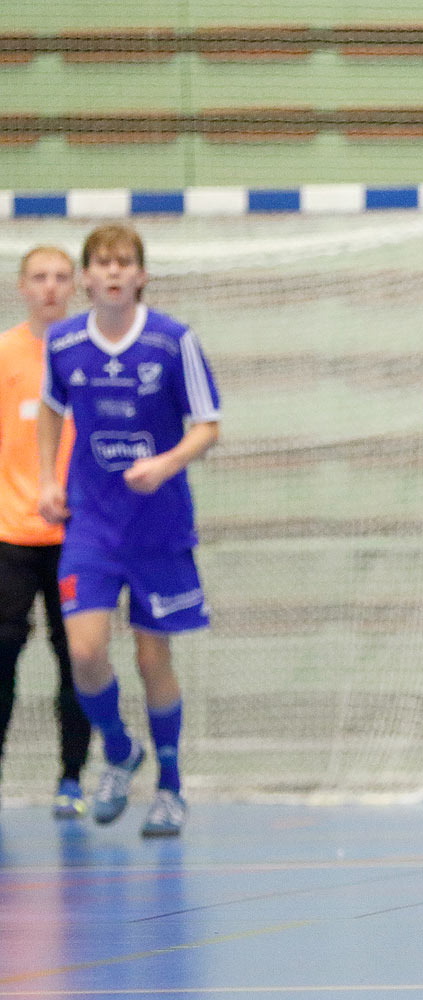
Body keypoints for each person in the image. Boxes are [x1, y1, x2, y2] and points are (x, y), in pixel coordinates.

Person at [37, 224, 221, 837]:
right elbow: (51, 410)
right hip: (92, 525)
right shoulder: (64, 343)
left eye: (125, 263)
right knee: (85, 650)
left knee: (150, 656)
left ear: (141, 274)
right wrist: (47, 479)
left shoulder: (173, 342)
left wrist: (167, 463)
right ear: (85, 277)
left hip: (159, 527)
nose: (113, 273)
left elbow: (207, 424)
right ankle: (118, 750)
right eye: (102, 263)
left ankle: (170, 784)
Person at [0, 247, 92, 817]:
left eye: (61, 277)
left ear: (75, 285)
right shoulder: (5, 354)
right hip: (9, 536)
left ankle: (72, 780)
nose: (51, 288)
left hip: (78, 540)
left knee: (78, 660)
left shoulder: (90, 354)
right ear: (22, 286)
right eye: (40, 277)